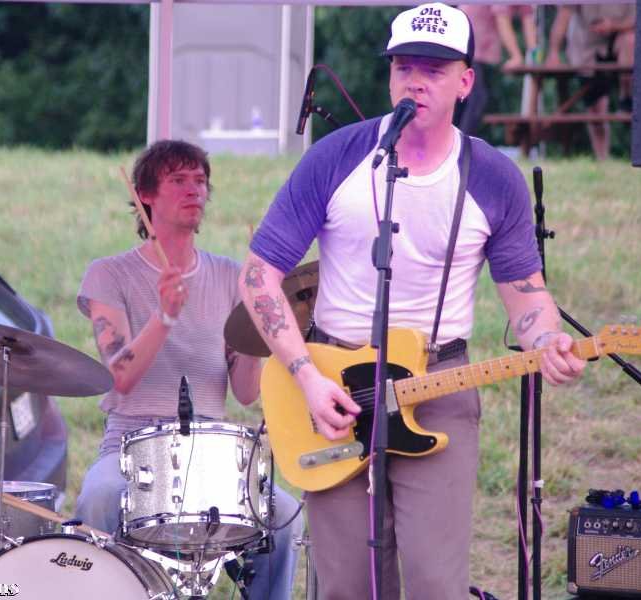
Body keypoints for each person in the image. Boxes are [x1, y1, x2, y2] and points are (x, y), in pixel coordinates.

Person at [238, 3, 586, 599]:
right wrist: (305, 377)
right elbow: (258, 275)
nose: (415, 82)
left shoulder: (492, 176)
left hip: (439, 385)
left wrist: (548, 339)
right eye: (404, 68)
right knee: (346, 585)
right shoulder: (337, 157)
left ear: (465, 81)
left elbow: (526, 296)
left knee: (436, 583)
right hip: (333, 389)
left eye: (434, 70)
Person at [74, 140, 302, 599]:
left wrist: (257, 337)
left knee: (283, 516)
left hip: (211, 448)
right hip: (131, 443)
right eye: (178, 180)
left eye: (200, 180)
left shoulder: (229, 275)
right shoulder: (109, 274)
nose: (194, 189)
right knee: (97, 499)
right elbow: (121, 376)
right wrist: (164, 316)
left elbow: (244, 392)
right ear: (145, 195)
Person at [546, 4, 636, 160]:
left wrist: (613, 26)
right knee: (596, 109)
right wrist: (553, 53)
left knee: (630, 40)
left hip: (621, 43)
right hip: (587, 49)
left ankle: (626, 98)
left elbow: (639, 21)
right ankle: (602, 159)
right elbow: (563, 17)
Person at [456, 4, 537, 135]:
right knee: (476, 97)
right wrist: (516, 55)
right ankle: (461, 143)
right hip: (467, 42)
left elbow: (527, 17)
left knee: (473, 99)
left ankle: (459, 140)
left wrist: (535, 56)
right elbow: (502, 19)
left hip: (479, 48)